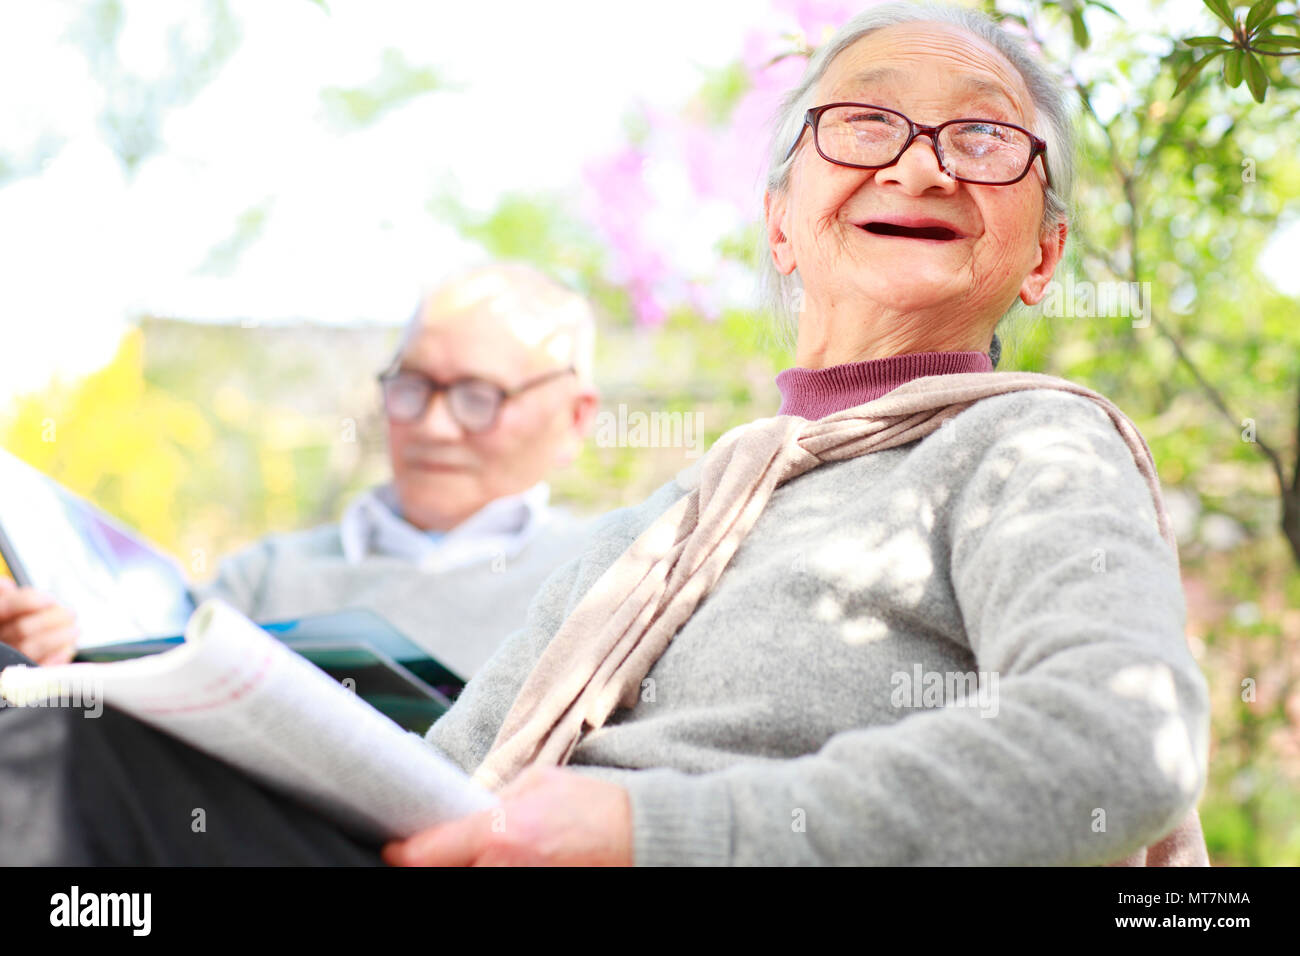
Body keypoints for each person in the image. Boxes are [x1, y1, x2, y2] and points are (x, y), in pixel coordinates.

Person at [0, 2, 1210, 867]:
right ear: (783, 220)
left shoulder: (1029, 451)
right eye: (865, 124)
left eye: (985, 137)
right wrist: (130, 680)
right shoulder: (667, 525)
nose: (923, 163)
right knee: (51, 716)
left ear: (1043, 255)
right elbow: (455, 772)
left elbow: (1120, 741)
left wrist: (649, 832)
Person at [0, 262, 600, 682]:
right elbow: (143, 682)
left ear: (574, 419)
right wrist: (41, 649)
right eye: (412, 387)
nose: (433, 426)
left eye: (477, 395)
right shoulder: (261, 578)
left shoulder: (609, 579)